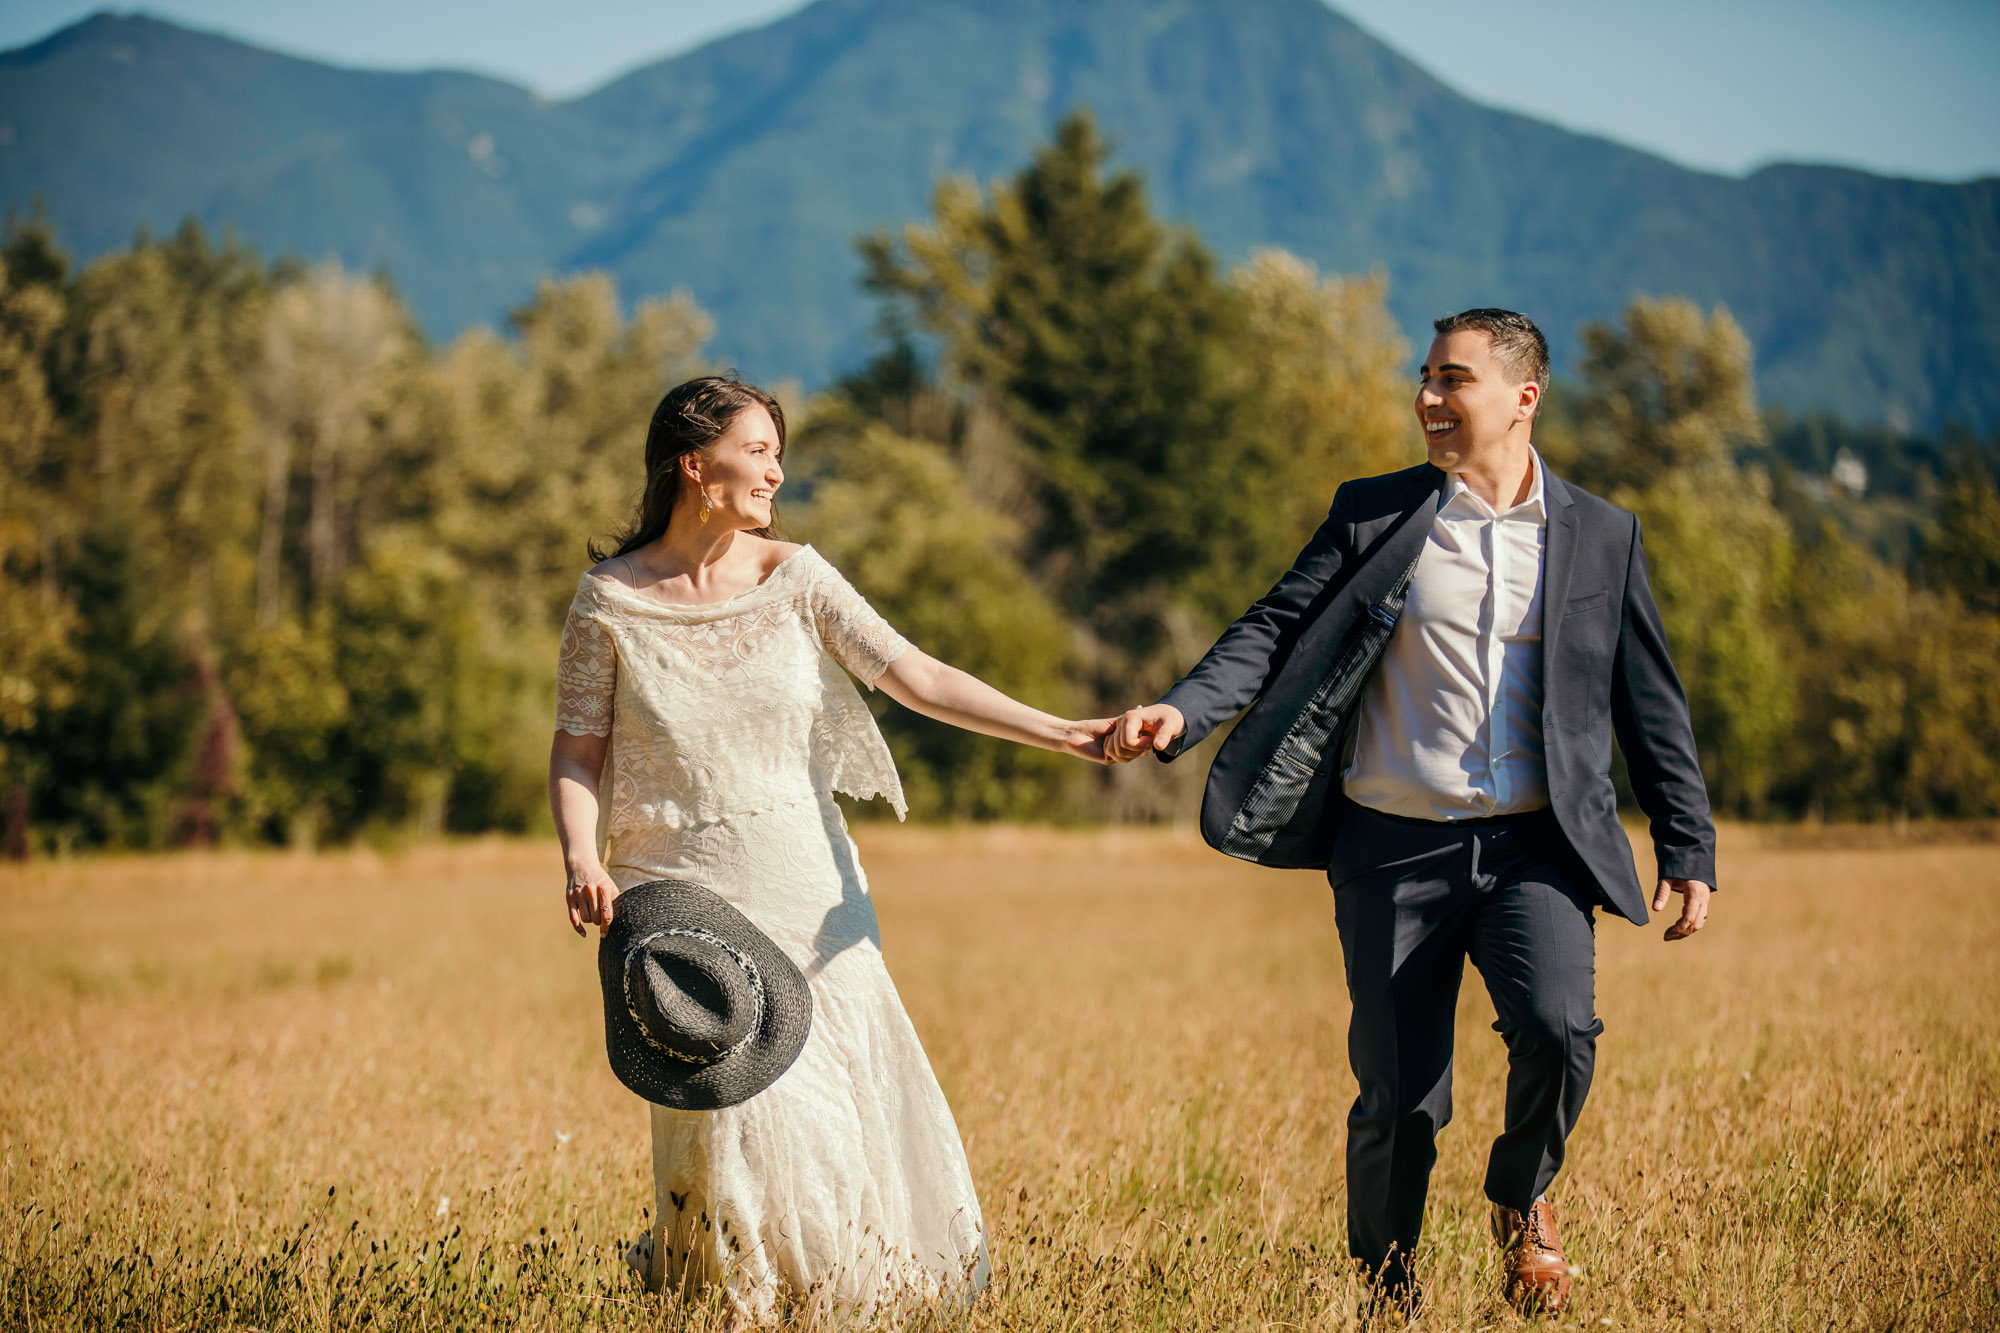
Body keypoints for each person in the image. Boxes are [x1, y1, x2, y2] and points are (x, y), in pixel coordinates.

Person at [1101, 309, 1716, 1317]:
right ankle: (1386, 1282)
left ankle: (1521, 1201)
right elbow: (1273, 625)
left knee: (1559, 1032)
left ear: (1523, 398)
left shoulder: (1601, 534)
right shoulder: (1375, 514)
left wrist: (1686, 843)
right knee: (1400, 1097)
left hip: (1535, 845)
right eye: (1423, 378)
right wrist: (1183, 707)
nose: (1428, 399)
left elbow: (1645, 698)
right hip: (1390, 848)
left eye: (1453, 380)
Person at [549, 375, 1110, 1324]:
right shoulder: (607, 601)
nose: (777, 468)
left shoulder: (797, 578)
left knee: (821, 1123)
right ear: (694, 462)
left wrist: (1065, 732)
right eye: (758, 448)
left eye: (778, 449)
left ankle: (851, 1303)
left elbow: (920, 677)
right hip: (676, 898)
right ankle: (736, 1307)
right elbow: (577, 746)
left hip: (806, 891)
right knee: (723, 1126)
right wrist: (579, 855)